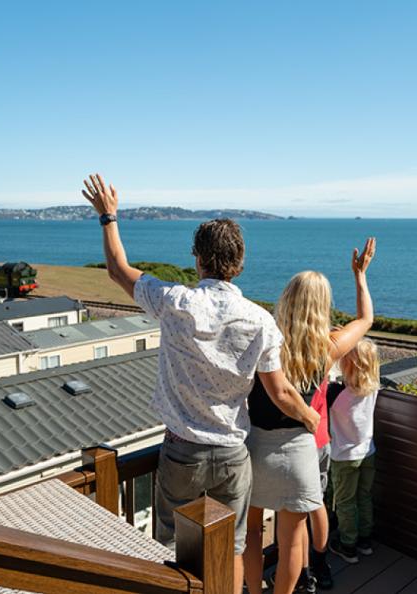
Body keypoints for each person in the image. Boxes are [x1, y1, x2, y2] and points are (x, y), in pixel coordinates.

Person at [81, 173, 320, 594]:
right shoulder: (261, 321)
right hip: (233, 455)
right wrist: (310, 417)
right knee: (230, 547)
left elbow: (118, 270)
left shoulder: (176, 302)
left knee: (172, 550)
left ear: (197, 259)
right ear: (240, 262)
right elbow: (281, 392)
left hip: (181, 451)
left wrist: (108, 217)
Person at [243, 238, 376, 594]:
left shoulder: (265, 340)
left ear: (286, 299)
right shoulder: (327, 346)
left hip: (256, 446)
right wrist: (359, 276)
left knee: (252, 532)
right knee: (291, 540)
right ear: (322, 306)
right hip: (299, 450)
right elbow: (366, 319)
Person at [327, 338, 381, 565]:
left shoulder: (336, 394)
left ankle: (348, 545)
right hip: (368, 451)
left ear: (346, 365)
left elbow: (323, 383)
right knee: (364, 497)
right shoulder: (374, 388)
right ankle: (365, 540)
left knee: (345, 502)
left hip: (344, 457)